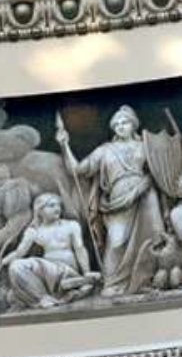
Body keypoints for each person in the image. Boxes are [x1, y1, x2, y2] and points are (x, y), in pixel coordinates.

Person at [57, 105, 165, 297]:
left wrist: (145, 183)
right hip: (118, 198)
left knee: (150, 239)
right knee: (116, 241)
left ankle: (145, 281)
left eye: (125, 122)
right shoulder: (105, 150)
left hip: (146, 196)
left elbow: (159, 171)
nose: (121, 127)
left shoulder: (146, 146)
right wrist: (65, 146)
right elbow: (79, 170)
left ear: (134, 125)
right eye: (116, 124)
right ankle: (113, 283)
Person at [0, 193, 100, 309]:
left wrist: (86, 272)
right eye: (51, 206)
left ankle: (45, 296)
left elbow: (80, 249)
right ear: (40, 211)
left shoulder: (71, 225)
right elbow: (18, 253)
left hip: (67, 271)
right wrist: (0, 264)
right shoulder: (34, 231)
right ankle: (44, 296)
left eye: (58, 205)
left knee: (19, 272)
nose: (57, 208)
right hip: (48, 273)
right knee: (15, 266)